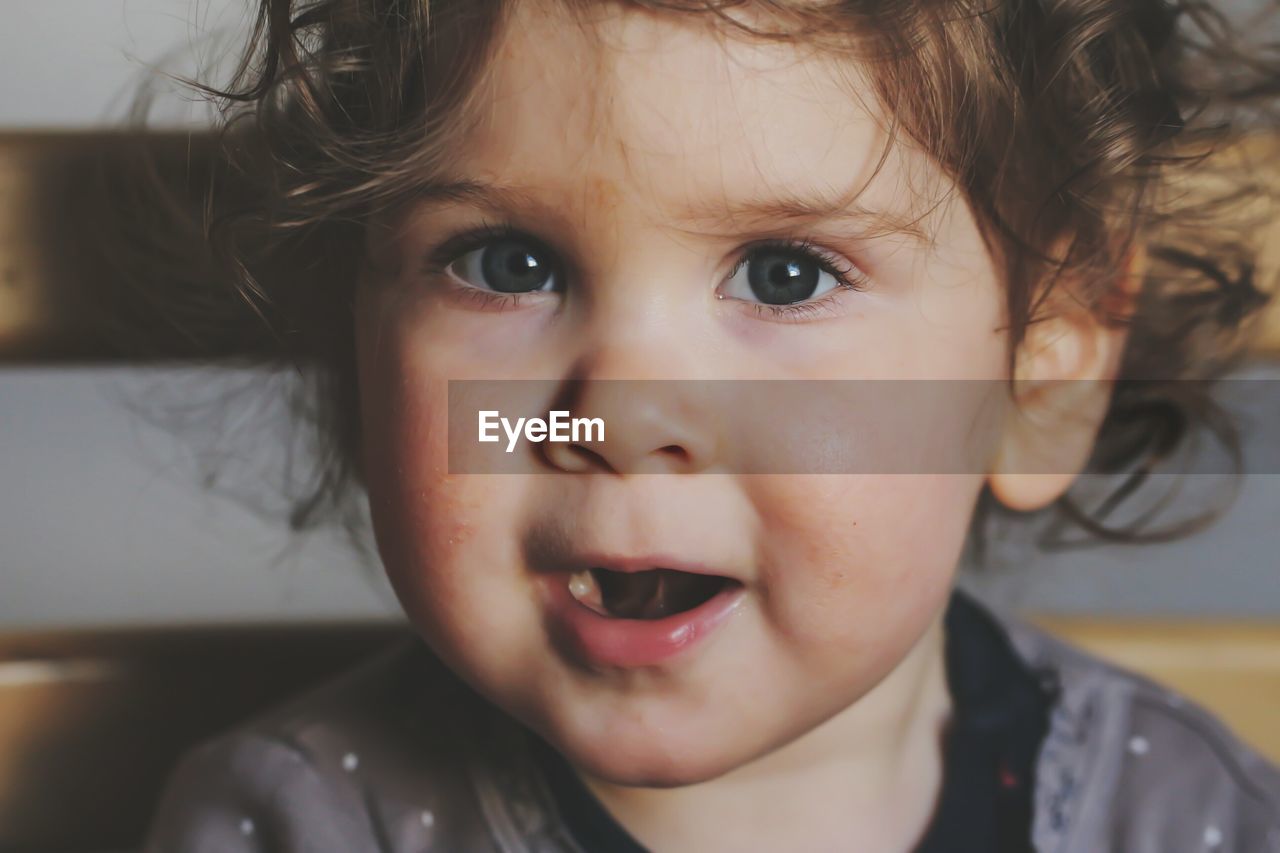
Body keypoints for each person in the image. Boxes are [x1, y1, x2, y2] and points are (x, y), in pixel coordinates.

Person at [145, 0, 1280, 849]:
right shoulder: (296, 824)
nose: (623, 418)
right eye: (507, 263)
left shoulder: (1182, 821)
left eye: (785, 275)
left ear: (1040, 375)